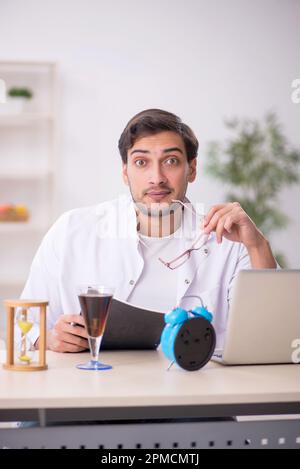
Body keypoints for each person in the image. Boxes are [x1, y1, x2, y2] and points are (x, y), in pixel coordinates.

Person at [21, 109, 277, 352]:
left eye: (171, 161)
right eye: (141, 162)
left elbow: (266, 333)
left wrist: (258, 245)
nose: (157, 177)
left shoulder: (230, 238)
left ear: (192, 169)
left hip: (199, 390)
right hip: (96, 391)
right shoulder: (72, 231)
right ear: (125, 172)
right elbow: (22, 328)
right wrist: (49, 339)